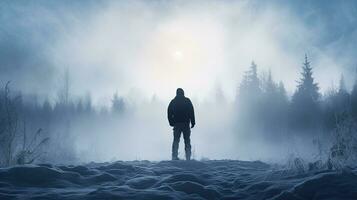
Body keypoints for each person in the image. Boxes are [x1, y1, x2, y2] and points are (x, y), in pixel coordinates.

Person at [167, 88, 195, 160]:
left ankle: (174, 156)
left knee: (176, 140)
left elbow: (169, 112)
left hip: (177, 124)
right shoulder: (187, 100)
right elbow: (191, 111)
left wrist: (171, 122)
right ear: (183, 93)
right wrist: (193, 122)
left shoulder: (173, 101)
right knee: (187, 140)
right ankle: (188, 157)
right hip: (185, 123)